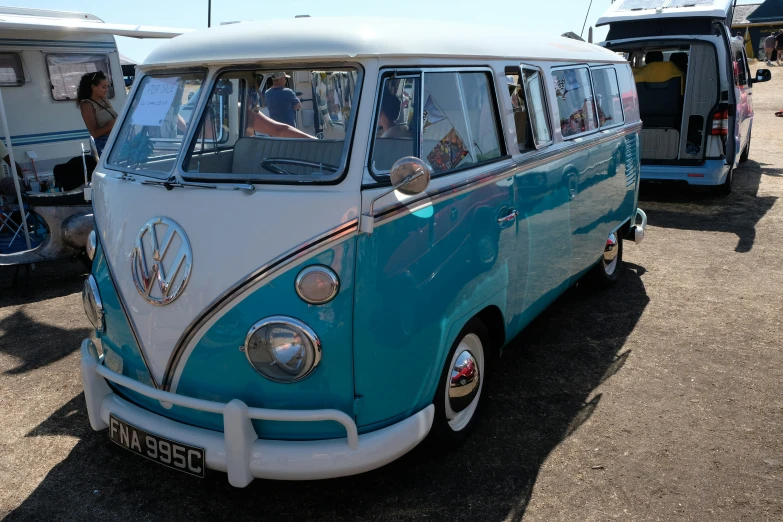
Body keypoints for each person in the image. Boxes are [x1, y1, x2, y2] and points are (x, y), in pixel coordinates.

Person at [77, 71, 117, 156]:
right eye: (104, 87)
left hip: (115, 142)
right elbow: (94, 133)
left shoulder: (104, 100)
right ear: (93, 87)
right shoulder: (87, 105)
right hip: (104, 146)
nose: (106, 90)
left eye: (107, 87)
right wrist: (111, 125)